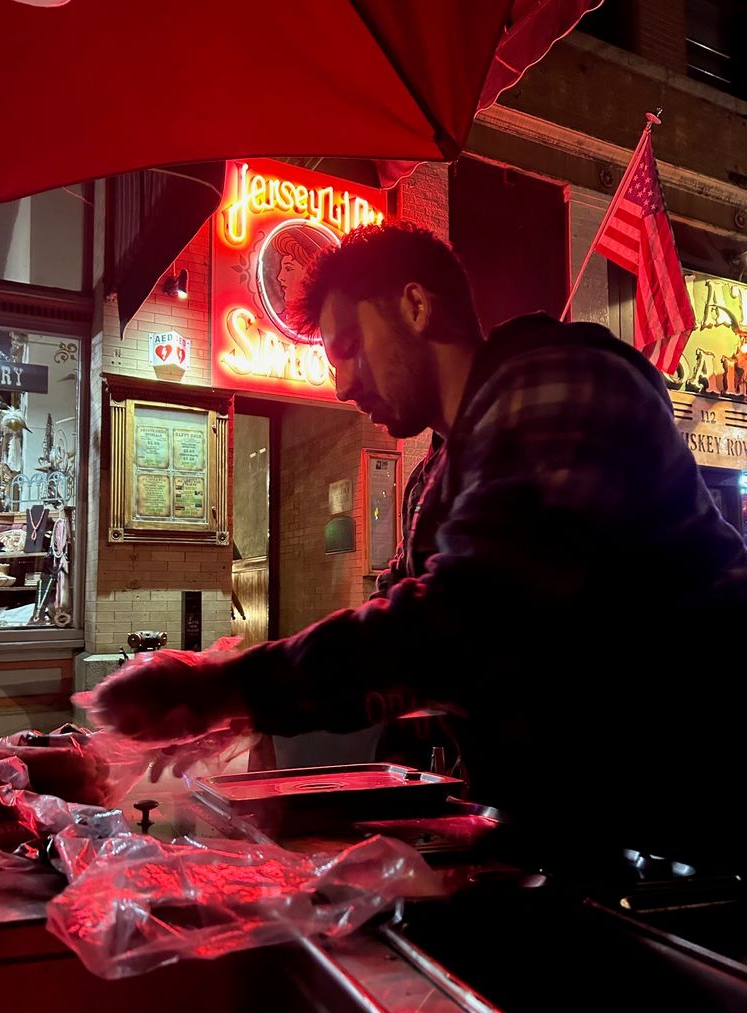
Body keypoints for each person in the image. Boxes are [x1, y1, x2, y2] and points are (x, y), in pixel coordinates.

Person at [85, 222, 747, 869]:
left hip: (690, 824)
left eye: (350, 345)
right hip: (567, 826)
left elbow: (465, 621)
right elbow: (395, 617)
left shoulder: (565, 383)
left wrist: (231, 687)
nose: (342, 385)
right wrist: (251, 702)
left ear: (416, 306)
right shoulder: (438, 472)